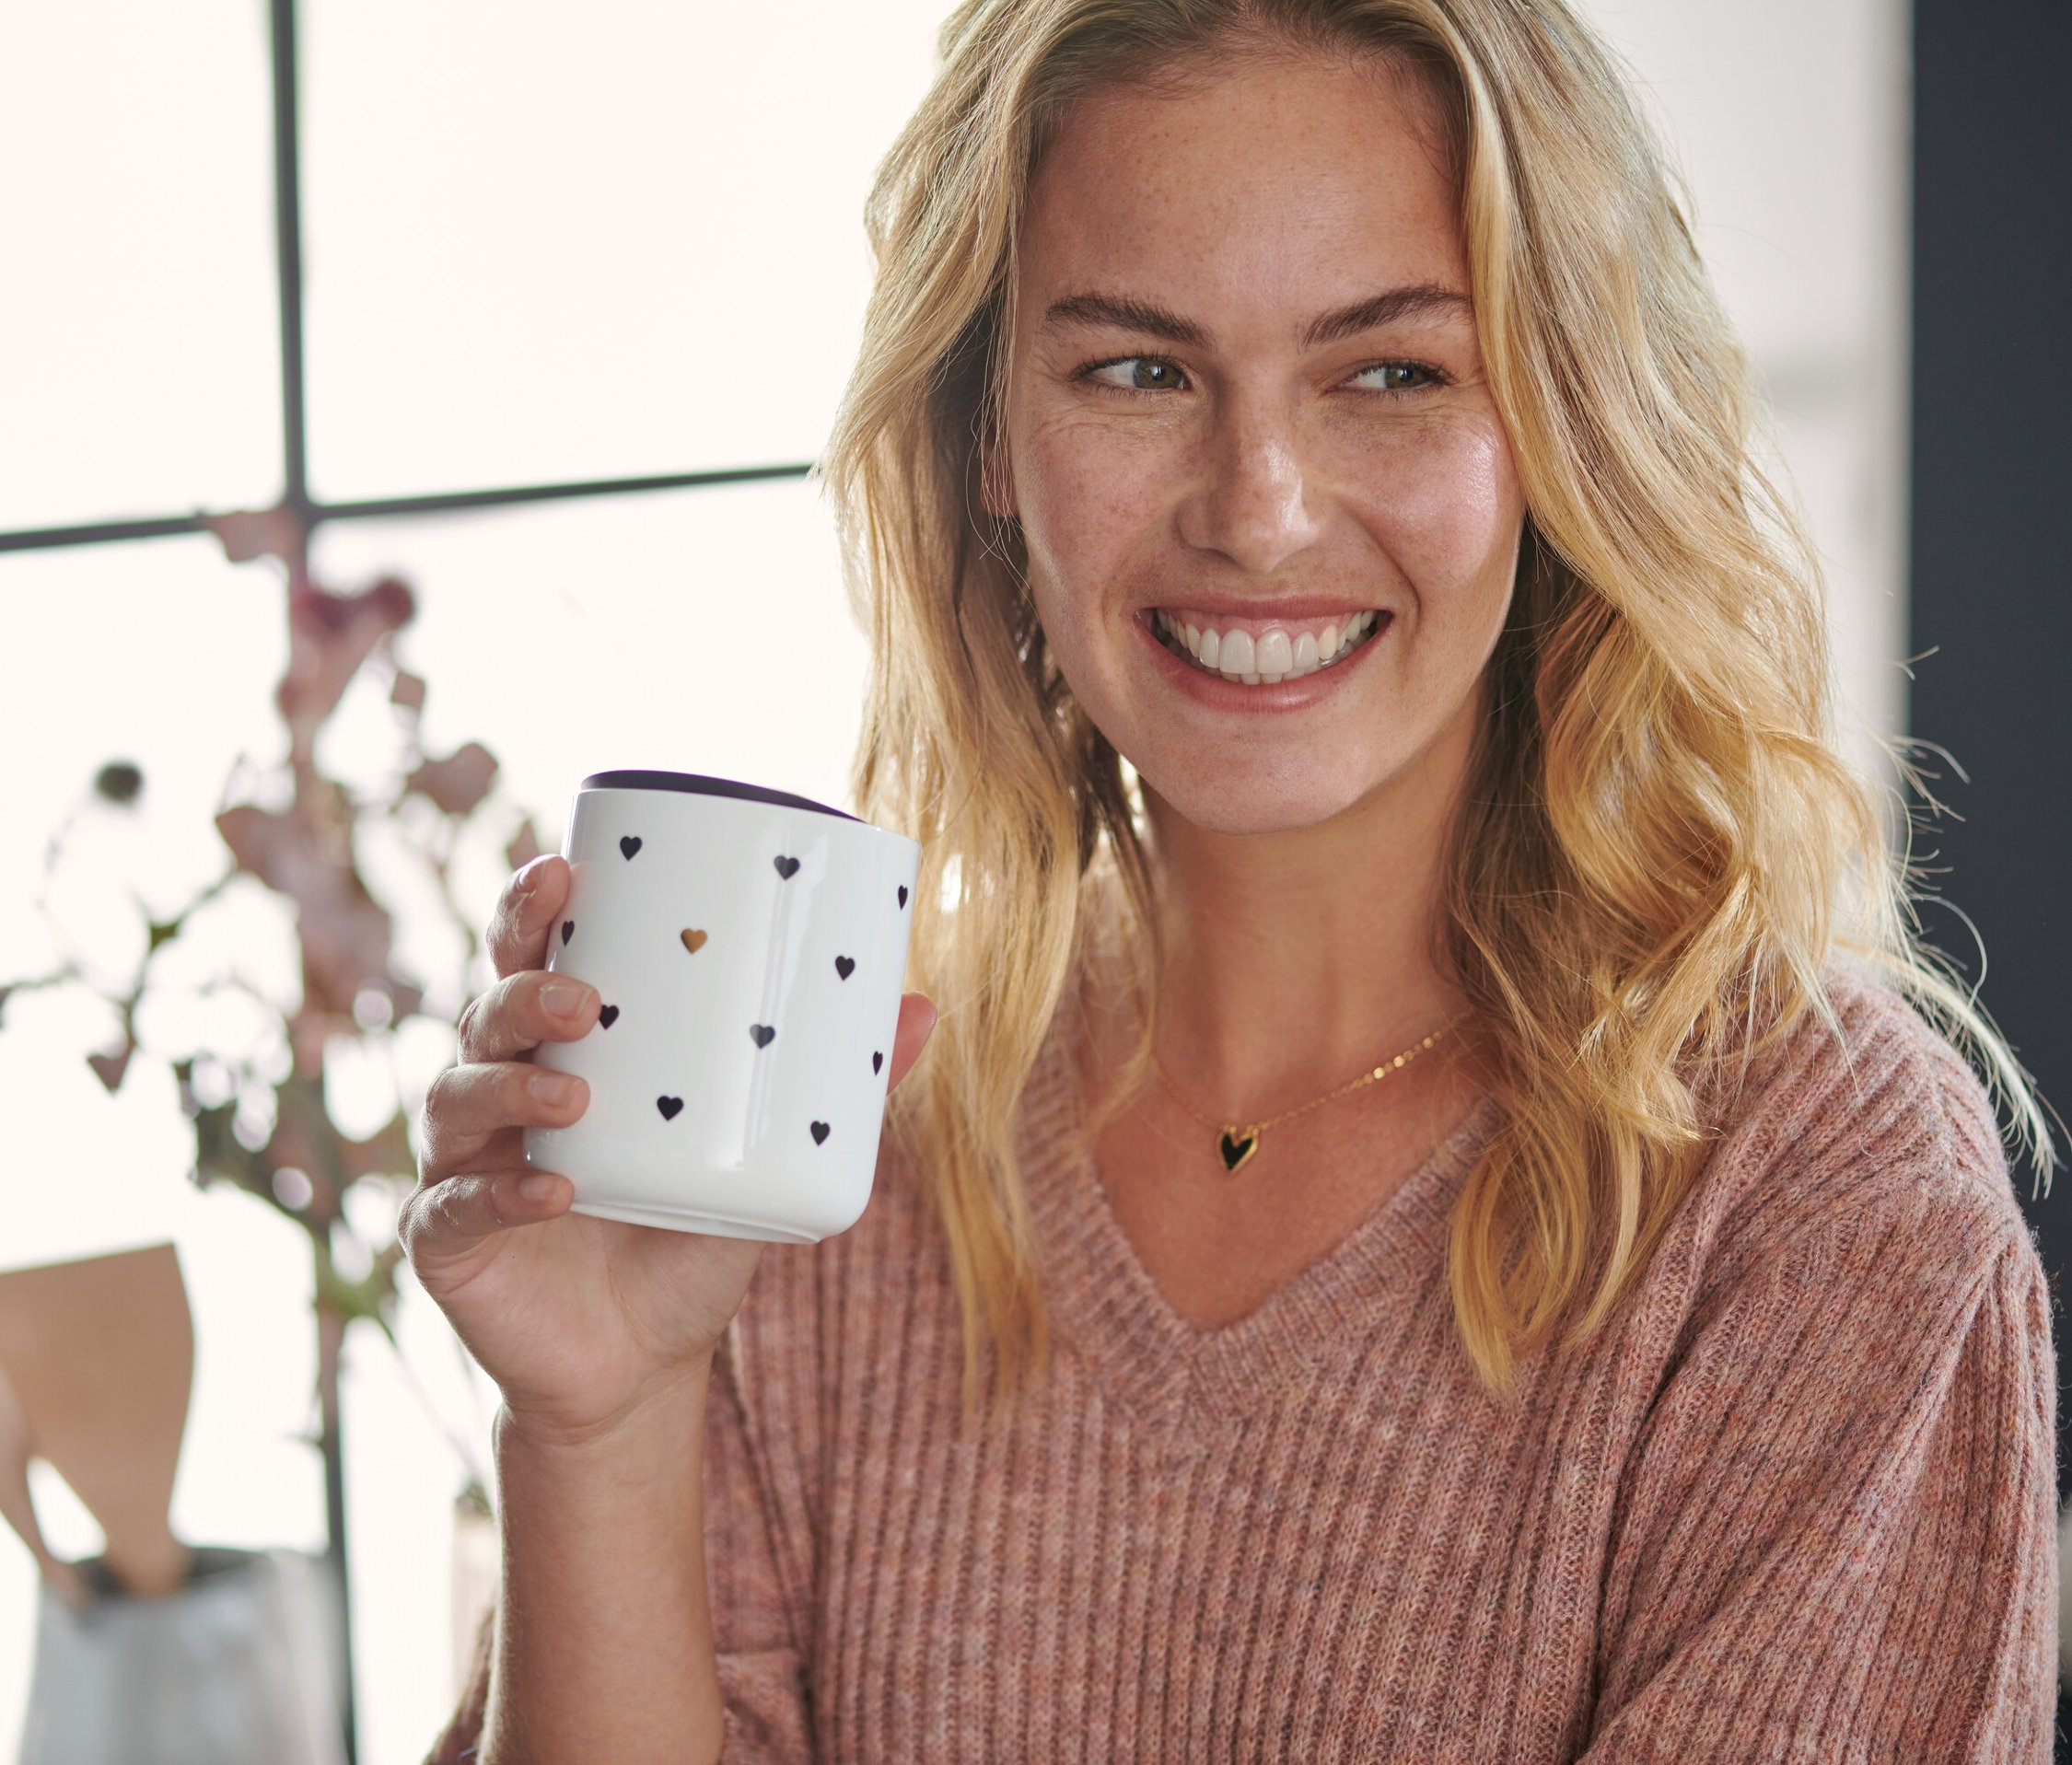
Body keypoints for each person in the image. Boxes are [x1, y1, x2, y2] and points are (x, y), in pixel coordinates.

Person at [411, 1, 2058, 1759]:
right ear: (988, 438)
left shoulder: (1820, 1201)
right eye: (1136, 369)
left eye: (1391, 370)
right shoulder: (810, 1126)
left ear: (1559, 425)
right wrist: (600, 1424)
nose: (1258, 508)